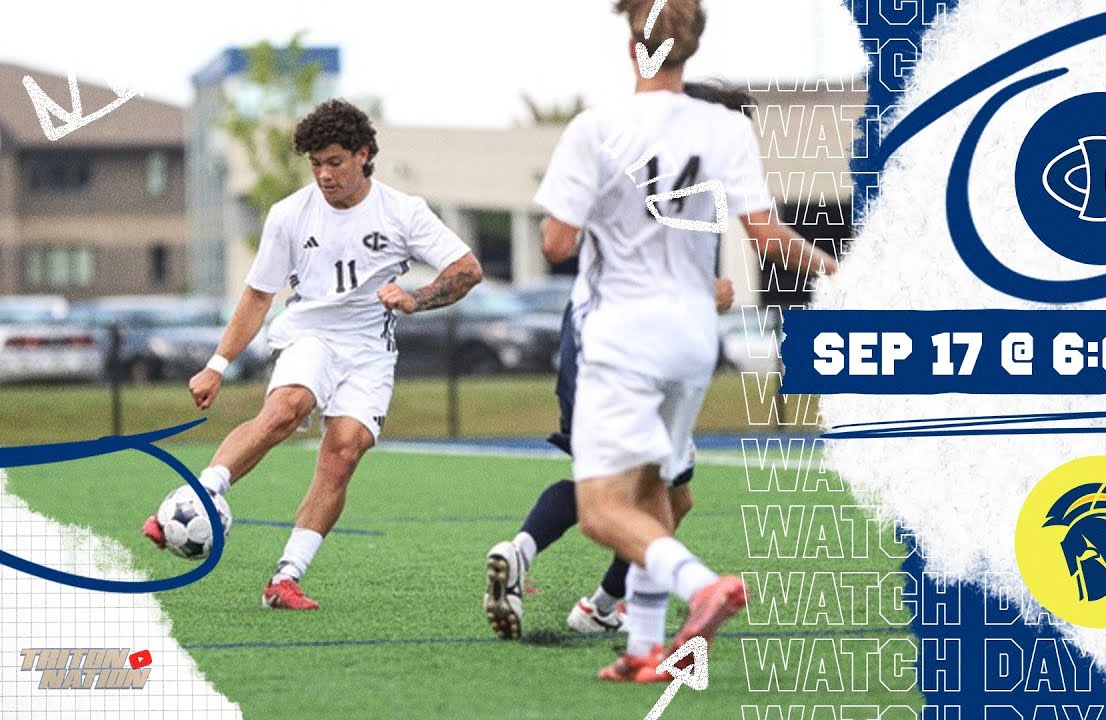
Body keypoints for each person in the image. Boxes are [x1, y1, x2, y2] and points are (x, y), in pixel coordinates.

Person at [487, 0, 837, 681]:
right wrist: (837, 271)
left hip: (622, 335)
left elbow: (557, 241)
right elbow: (766, 235)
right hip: (693, 338)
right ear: (690, 50)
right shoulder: (723, 127)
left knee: (602, 509)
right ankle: (644, 646)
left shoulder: (597, 129)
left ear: (631, 46)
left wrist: (592, 212)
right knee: (656, 492)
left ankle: (702, 585)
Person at [142, 99, 482, 610]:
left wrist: (415, 299)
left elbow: (466, 269)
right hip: (310, 334)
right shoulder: (289, 215)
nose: (324, 174)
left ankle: (285, 579)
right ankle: (201, 494)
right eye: (315, 163)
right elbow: (258, 295)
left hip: (369, 351)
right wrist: (217, 365)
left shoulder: (403, 212)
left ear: (363, 155)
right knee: (289, 405)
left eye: (334, 161)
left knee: (343, 451)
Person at [484, 275, 732, 641]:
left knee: (614, 489)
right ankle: (666, 599)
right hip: (628, 357)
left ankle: (525, 553)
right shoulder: (663, 226)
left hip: (584, 344)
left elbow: (555, 241)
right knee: (651, 501)